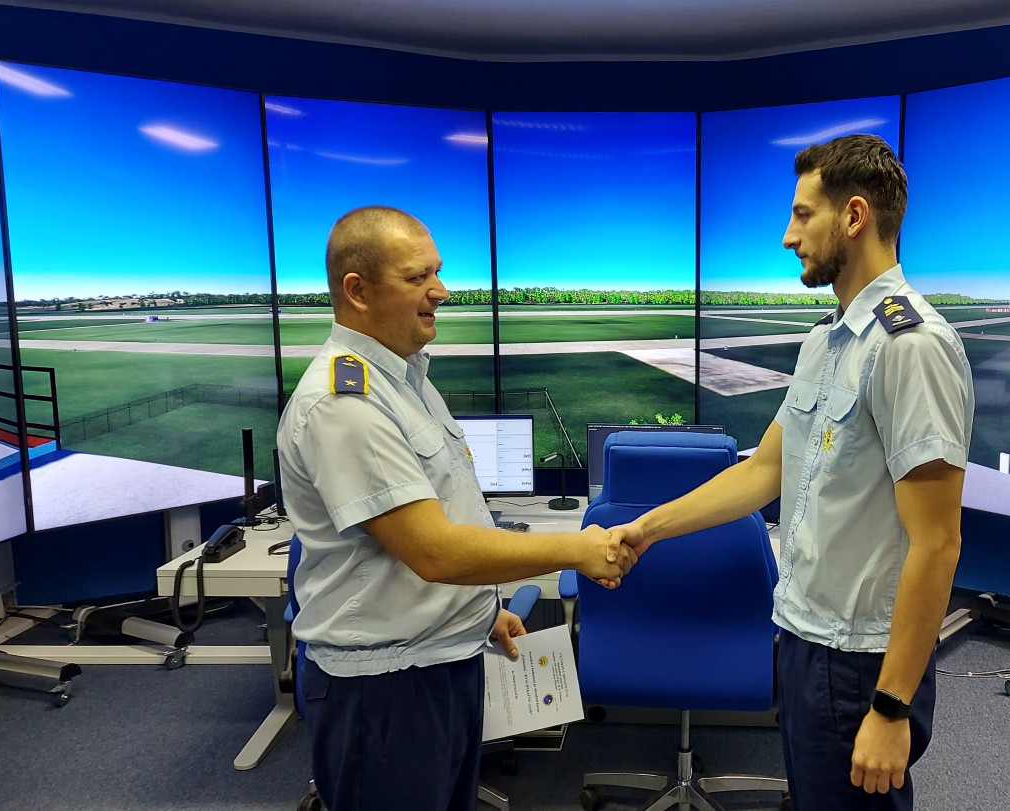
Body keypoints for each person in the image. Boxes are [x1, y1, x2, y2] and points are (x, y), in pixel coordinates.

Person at [611, 134, 974, 810]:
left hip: (861, 661)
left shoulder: (911, 348)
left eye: (803, 215)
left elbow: (938, 541)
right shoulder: (824, 344)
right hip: (803, 638)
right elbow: (765, 470)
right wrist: (647, 528)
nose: (788, 236)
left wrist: (891, 706)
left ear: (855, 216)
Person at [276, 206, 634, 811]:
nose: (440, 291)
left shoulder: (406, 381)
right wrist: (578, 548)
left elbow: (444, 518)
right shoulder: (344, 403)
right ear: (357, 292)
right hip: (386, 687)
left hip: (440, 660)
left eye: (437, 272)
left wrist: (480, 612)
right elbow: (434, 551)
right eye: (417, 277)